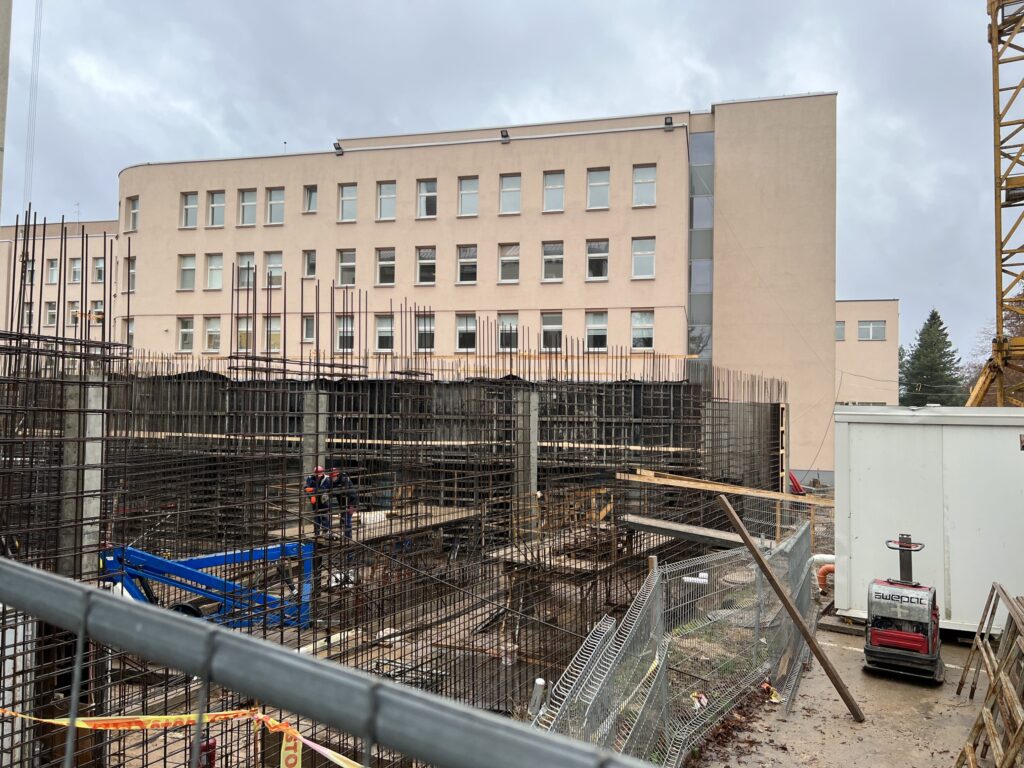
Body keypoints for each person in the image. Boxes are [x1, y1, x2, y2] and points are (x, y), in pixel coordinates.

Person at [328, 467, 359, 540]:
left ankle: (348, 537)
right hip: (342, 503)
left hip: (351, 502)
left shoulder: (344, 479)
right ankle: (345, 535)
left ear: (337, 475)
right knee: (343, 519)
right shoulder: (334, 481)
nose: (332, 479)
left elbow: (344, 491)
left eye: (333, 477)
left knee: (347, 519)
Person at [303, 465, 332, 534]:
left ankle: (325, 532)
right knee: (316, 517)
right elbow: (306, 488)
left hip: (324, 500)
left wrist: (313, 490)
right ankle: (317, 533)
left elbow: (323, 489)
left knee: (324, 517)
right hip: (315, 502)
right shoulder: (310, 478)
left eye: (319, 473)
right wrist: (311, 496)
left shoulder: (327, 479)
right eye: (316, 473)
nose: (318, 475)